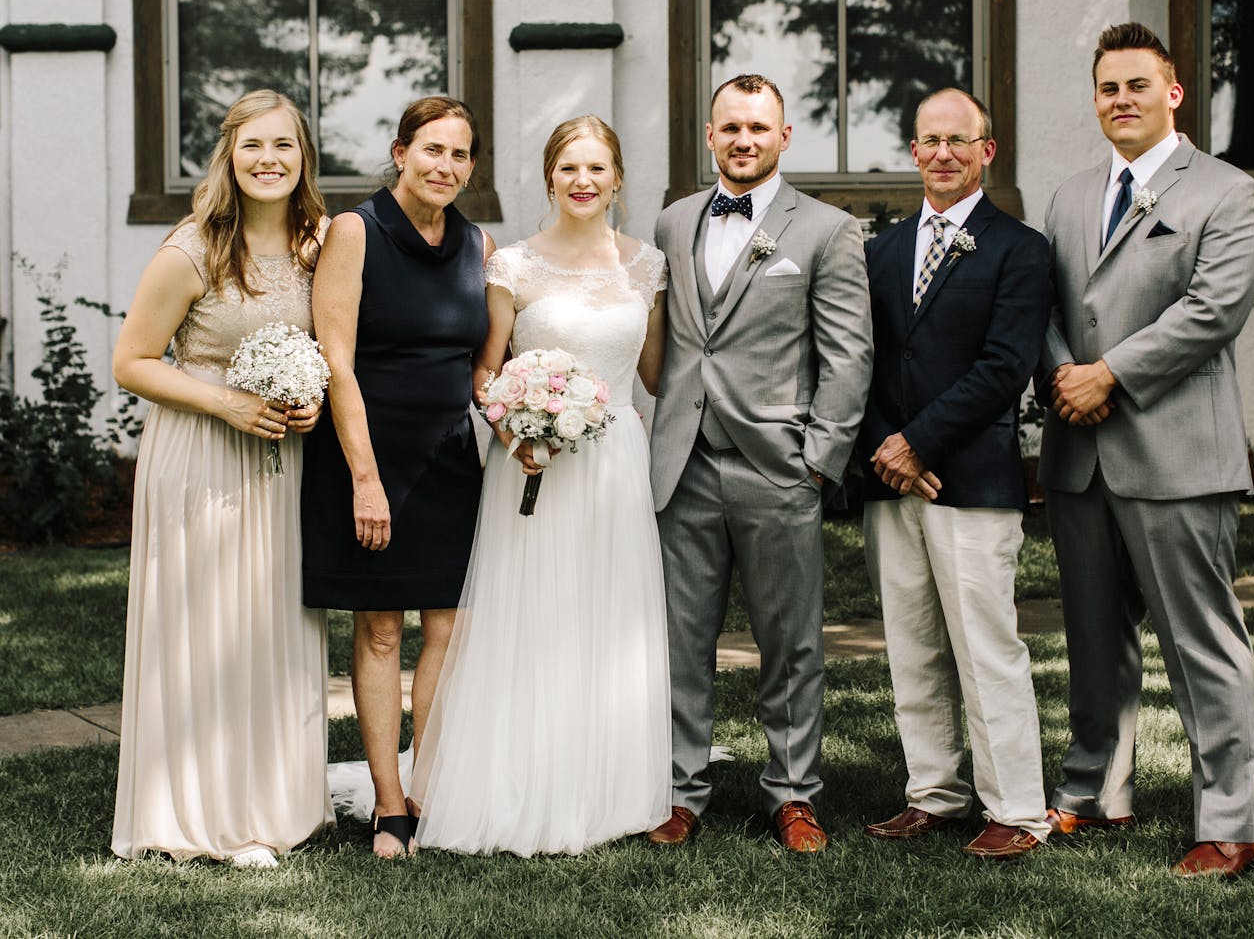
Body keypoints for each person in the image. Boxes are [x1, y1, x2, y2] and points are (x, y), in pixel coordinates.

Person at [1038, 22, 1254, 878]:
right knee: (1095, 639)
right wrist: (1065, 376)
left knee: (1200, 640)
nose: (1121, 100)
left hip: (1176, 453)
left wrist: (1110, 376)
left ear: (1173, 94)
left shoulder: (1227, 191)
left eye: (1138, 85)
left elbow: (1213, 311)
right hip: (1078, 453)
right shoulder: (1067, 197)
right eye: (1108, 88)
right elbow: (1048, 306)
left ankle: (1230, 821)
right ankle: (1097, 790)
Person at [407, 115, 671, 856]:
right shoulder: (513, 265)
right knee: (532, 617)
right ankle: (517, 779)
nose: (583, 181)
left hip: (616, 458)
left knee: (610, 618)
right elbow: (486, 368)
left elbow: (655, 375)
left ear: (618, 178)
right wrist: (513, 427)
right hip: (532, 462)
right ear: (550, 177)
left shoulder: (646, 265)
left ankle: (612, 785)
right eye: (569, 168)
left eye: (597, 168)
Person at [648, 74, 873, 853]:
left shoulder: (826, 229)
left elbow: (849, 356)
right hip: (683, 464)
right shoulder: (673, 221)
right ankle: (679, 790)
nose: (744, 139)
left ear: (784, 138)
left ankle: (794, 792)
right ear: (709, 136)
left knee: (791, 641)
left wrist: (819, 461)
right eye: (730, 127)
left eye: (758, 128)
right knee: (680, 639)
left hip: (779, 467)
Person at [110, 90, 331, 868]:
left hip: (283, 460)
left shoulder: (320, 243)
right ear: (228, 157)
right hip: (202, 452)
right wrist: (227, 402)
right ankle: (200, 812)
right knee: (205, 626)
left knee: (270, 624)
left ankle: (276, 800)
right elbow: (131, 361)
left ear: (304, 157)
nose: (269, 160)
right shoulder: (192, 247)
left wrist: (309, 400)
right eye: (253, 147)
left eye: (285, 146)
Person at [858, 89, 1052, 859]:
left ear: (986, 150)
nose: (944, 153)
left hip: (969, 480)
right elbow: (862, 362)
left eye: (959, 140)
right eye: (930, 141)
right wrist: (886, 447)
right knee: (911, 644)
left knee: (985, 646)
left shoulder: (1021, 248)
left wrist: (922, 444)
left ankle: (1018, 808)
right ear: (913, 151)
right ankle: (932, 793)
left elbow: (1007, 366)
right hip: (890, 478)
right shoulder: (882, 250)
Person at [301, 96, 491, 858]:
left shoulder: (479, 242)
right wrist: (365, 478)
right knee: (381, 629)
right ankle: (388, 805)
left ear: (471, 166)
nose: (444, 165)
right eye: (432, 150)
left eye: (459, 154)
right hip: (365, 455)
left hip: (450, 459)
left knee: (450, 627)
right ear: (400, 150)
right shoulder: (355, 231)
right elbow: (335, 361)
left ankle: (429, 783)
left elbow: (487, 361)